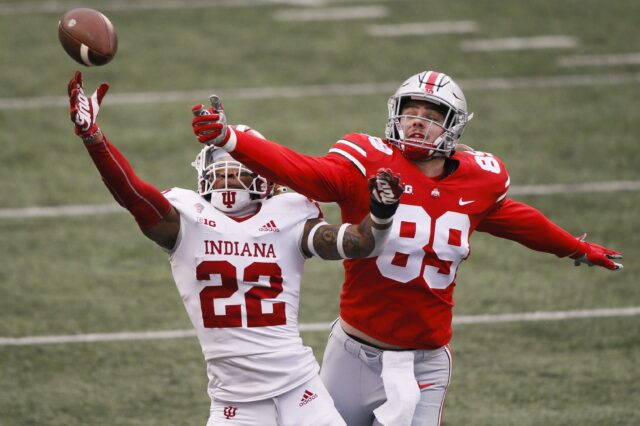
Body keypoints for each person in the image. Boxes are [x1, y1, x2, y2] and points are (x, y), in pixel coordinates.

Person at [189, 70, 624, 426]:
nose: (417, 122)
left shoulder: (479, 179)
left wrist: (575, 248)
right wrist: (231, 140)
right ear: (394, 116)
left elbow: (514, 219)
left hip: (426, 363)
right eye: (410, 112)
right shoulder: (365, 159)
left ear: (452, 126)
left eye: (431, 116)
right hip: (354, 354)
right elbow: (303, 171)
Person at [66, 71, 406, 426]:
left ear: (266, 176)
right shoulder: (185, 220)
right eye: (219, 165)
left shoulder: (290, 216)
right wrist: (94, 139)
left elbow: (358, 244)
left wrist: (381, 213)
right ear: (202, 173)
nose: (228, 173)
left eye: (239, 165)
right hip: (235, 405)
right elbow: (133, 193)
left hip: (301, 391)